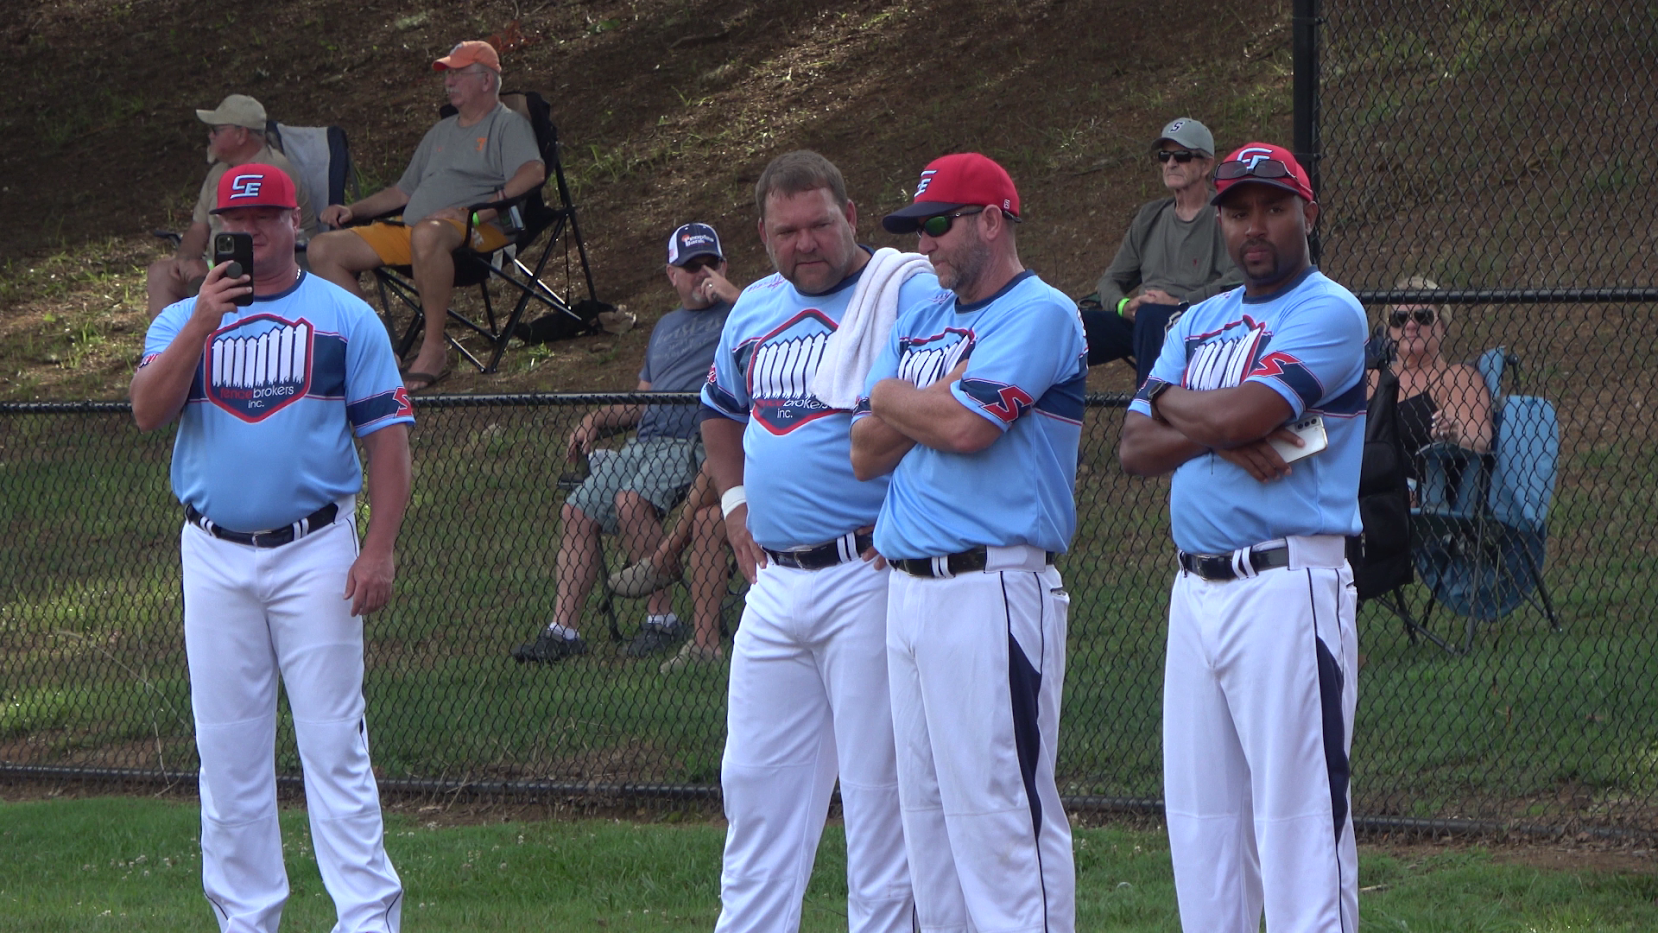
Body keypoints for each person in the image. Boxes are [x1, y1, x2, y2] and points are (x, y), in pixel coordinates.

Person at [130, 163, 412, 933]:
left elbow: (388, 440)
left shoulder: (343, 317)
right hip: (213, 551)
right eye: (236, 221)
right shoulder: (182, 318)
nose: (249, 233)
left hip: (315, 546)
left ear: (295, 224)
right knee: (228, 752)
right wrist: (201, 322)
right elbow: (147, 412)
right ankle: (246, 920)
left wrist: (379, 547)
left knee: (334, 743)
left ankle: (367, 919)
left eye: (264, 219)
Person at [1118, 142, 1366, 933]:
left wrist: (1176, 399)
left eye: (1273, 207)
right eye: (1237, 210)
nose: (1254, 225)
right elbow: (1133, 447)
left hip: (1288, 583)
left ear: (1307, 214)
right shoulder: (1199, 319)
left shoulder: (1330, 310)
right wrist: (1223, 433)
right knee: (1203, 829)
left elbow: (1232, 413)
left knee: (1300, 827)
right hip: (1195, 590)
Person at [850, 152, 1085, 933]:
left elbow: (965, 428)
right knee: (928, 823)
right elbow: (863, 449)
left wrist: (896, 396)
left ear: (990, 221)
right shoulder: (922, 318)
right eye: (917, 229)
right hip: (909, 591)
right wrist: (919, 397)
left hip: (993, 587)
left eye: (938, 225)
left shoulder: (1040, 312)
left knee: (1000, 819)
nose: (924, 245)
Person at [700, 150, 921, 933]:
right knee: (753, 788)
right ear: (763, 236)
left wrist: (910, 518)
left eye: (820, 225)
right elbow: (719, 410)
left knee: (878, 796)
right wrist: (733, 504)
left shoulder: (903, 292)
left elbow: (948, 403)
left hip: (867, 570)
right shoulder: (754, 308)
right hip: (773, 580)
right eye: (787, 231)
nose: (806, 244)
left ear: (850, 217)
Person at [511, 223, 739, 664]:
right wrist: (595, 419)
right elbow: (640, 401)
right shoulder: (665, 327)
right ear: (671, 275)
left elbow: (776, 324)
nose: (701, 274)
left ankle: (662, 619)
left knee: (631, 502)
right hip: (643, 445)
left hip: (693, 444)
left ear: (724, 268)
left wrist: (734, 296)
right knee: (576, 511)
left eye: (709, 264)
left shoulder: (742, 315)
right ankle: (563, 630)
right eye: (690, 267)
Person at [308, 40, 546, 391]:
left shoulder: (507, 125)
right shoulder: (440, 132)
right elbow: (402, 193)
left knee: (427, 233)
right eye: (447, 76)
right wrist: (353, 210)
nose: (448, 82)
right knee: (323, 249)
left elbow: (533, 172)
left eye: (458, 74)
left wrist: (478, 213)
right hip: (418, 230)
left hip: (478, 231)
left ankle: (433, 350)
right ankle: (377, 349)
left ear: (486, 80)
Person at [1082, 117, 1240, 386]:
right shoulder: (1150, 216)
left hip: (1197, 323)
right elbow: (1109, 280)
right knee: (1067, 326)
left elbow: (1236, 281)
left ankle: (1149, 408)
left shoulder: (1224, 214)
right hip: (1142, 321)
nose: (1171, 163)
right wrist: (1123, 306)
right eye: (1164, 156)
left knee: (1152, 316)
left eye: (1182, 156)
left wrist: (1180, 302)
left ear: (1206, 165)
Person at [145, 95, 318, 316]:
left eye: (216, 130)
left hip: (272, 268)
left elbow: (261, 243)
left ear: (241, 134)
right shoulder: (219, 173)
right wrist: (185, 261)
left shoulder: (270, 174)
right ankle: (171, 340)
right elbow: (198, 229)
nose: (210, 135)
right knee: (161, 273)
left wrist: (208, 271)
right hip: (224, 265)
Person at [1376, 275, 1492, 479]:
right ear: (1389, 330)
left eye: (1423, 317)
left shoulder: (1456, 377)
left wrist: (1454, 433)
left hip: (1416, 489)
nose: (1410, 325)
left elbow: (1479, 436)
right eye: (1399, 319)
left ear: (1442, 325)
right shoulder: (1372, 376)